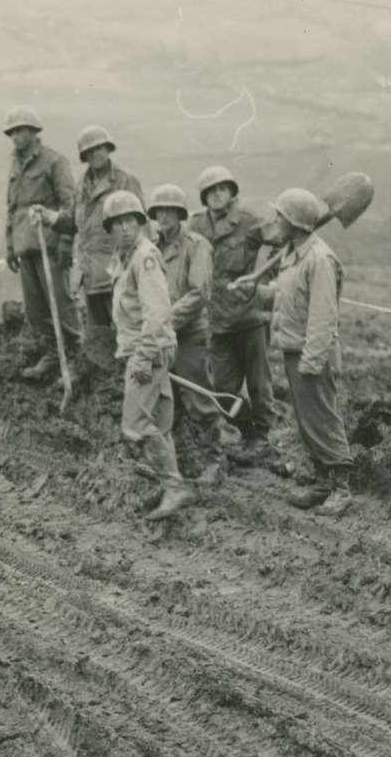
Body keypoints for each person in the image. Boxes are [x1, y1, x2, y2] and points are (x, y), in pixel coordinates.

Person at [261, 188, 355, 517]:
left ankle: (341, 487)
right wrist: (259, 293)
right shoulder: (293, 254)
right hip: (294, 348)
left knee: (323, 419)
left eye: (281, 217)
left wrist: (312, 361)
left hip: (312, 352)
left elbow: (323, 316)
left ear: (296, 223)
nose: (276, 222)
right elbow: (289, 295)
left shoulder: (320, 259)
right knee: (306, 421)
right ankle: (321, 481)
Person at [105, 190, 192, 522]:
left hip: (149, 350)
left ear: (140, 223)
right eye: (117, 223)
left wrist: (141, 357)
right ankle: (169, 484)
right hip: (147, 349)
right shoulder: (125, 258)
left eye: (131, 221)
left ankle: (174, 486)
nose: (125, 228)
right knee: (159, 423)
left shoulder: (145, 257)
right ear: (110, 229)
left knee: (136, 425)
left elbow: (157, 313)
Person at [45, 125, 142, 388]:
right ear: (84, 156)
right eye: (90, 151)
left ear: (108, 149)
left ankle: (131, 383)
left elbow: (140, 226)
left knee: (126, 330)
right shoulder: (82, 186)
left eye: (100, 148)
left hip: (117, 271)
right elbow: (73, 223)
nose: (96, 154)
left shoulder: (123, 180)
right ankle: (107, 386)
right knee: (99, 334)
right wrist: (50, 217)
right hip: (91, 274)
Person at [194, 165, 278, 462]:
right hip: (215, 322)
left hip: (248, 316)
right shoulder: (195, 227)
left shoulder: (248, 222)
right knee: (222, 389)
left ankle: (262, 439)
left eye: (222, 189)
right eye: (211, 191)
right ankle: (247, 430)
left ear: (231, 193)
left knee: (259, 383)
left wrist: (265, 282)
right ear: (204, 197)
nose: (217, 195)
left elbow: (282, 240)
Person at [146, 183, 219, 481]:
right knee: (164, 401)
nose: (163, 216)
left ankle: (214, 461)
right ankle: (173, 465)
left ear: (179, 213)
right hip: (161, 336)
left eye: (169, 210)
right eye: (158, 211)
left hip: (188, 336)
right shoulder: (152, 248)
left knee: (200, 400)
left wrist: (165, 321)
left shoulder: (196, 245)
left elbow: (198, 292)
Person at [1, 107, 80, 380]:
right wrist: (10, 245)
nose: (15, 137)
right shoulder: (15, 164)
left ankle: (75, 358)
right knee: (36, 309)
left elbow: (70, 207)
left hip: (52, 246)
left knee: (61, 303)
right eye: (12, 132)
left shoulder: (54, 162)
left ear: (35, 133)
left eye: (21, 131)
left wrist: (67, 243)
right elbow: (12, 207)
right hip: (26, 246)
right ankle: (52, 355)